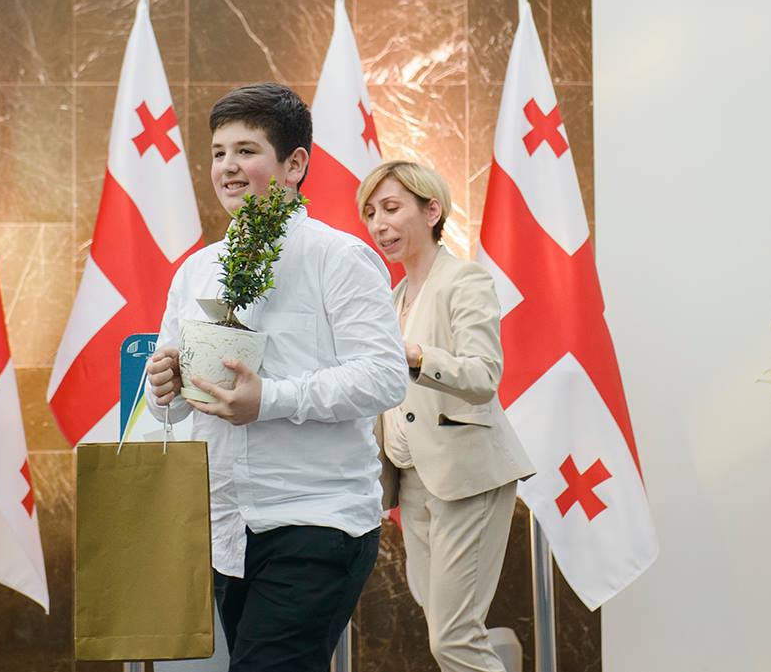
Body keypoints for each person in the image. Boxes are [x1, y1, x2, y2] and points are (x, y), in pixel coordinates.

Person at [144, 83, 407, 672]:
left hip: (316, 520)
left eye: (246, 151)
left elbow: (384, 377)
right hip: (226, 528)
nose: (227, 167)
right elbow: (170, 405)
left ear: (294, 164)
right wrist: (166, 385)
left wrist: (269, 399)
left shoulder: (338, 258)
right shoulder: (196, 270)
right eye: (218, 153)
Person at [357, 160, 534, 672]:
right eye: (371, 213)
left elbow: (483, 375)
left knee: (453, 639)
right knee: (448, 631)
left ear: (432, 210)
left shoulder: (465, 279)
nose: (379, 224)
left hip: (465, 473)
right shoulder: (390, 298)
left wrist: (416, 356)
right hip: (411, 479)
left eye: (391, 208)